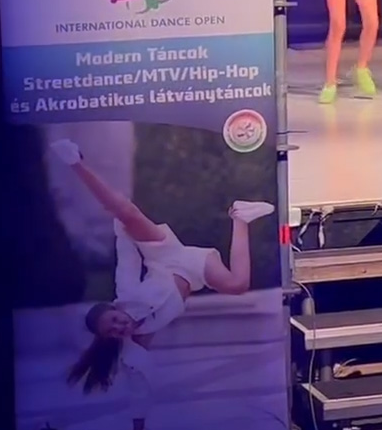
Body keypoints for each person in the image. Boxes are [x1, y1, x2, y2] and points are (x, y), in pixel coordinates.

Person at [51, 139, 274, 429]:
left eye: (115, 320)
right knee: (238, 284)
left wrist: (122, 224)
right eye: (114, 331)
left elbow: (127, 259)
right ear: (110, 339)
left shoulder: (127, 294)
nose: (120, 326)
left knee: (127, 214)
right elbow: (139, 386)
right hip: (193, 272)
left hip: (164, 256)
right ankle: (240, 217)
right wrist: (139, 426)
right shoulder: (137, 343)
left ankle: (75, 162)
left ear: (115, 308)